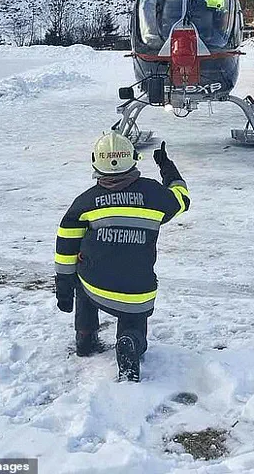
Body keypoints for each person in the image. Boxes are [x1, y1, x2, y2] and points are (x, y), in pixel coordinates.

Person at [55, 131, 190, 381]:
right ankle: (130, 341)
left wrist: (64, 289)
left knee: (82, 279)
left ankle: (85, 337)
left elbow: (65, 248)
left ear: (96, 162)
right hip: (137, 290)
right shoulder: (154, 195)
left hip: (95, 286)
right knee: (133, 321)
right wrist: (167, 167)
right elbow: (182, 199)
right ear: (134, 158)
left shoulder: (84, 202)